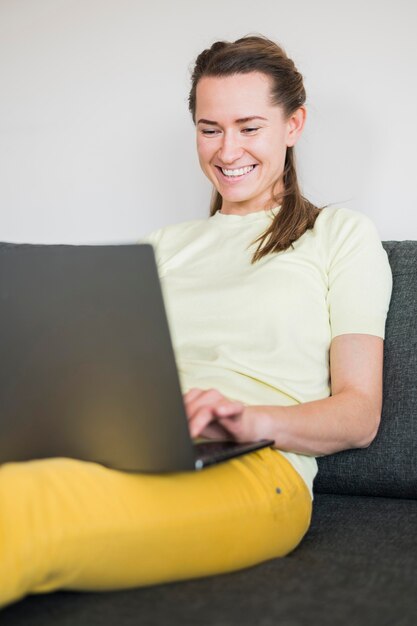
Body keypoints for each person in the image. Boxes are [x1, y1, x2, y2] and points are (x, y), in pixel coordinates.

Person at [0, 35, 392, 609]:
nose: (227, 150)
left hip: (257, 470)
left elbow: (359, 415)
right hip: (126, 451)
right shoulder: (157, 247)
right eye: (210, 129)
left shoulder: (339, 236)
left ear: (294, 123)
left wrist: (246, 419)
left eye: (249, 126)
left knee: (27, 505)